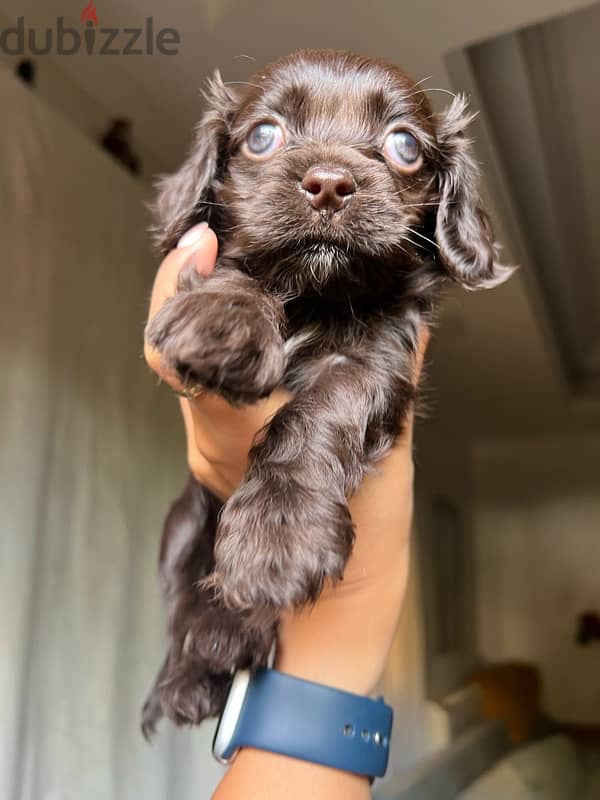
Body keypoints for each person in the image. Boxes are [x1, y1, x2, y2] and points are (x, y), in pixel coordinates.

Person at [144, 222, 428, 800]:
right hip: (219, 544)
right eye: (264, 135)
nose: (329, 176)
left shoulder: (387, 308)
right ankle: (202, 642)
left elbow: (366, 376)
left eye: (401, 148)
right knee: (186, 522)